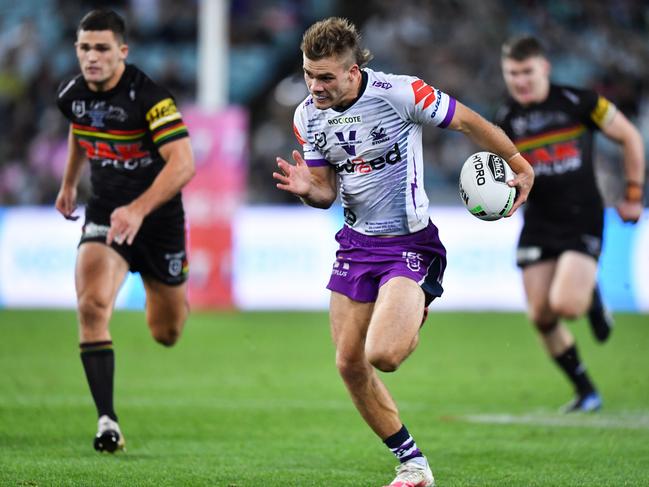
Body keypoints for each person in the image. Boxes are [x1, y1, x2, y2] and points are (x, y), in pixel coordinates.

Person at [273, 17, 534, 487]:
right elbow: (325, 192)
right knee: (348, 364)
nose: (315, 86)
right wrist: (304, 189)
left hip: (409, 243)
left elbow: (471, 123)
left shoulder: (401, 94)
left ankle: (415, 306)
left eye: (326, 77)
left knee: (385, 355)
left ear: (353, 72)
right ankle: (413, 465)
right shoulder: (307, 116)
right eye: (310, 74)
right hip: (355, 244)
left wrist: (518, 163)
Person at [55, 9, 195, 452]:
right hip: (106, 213)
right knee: (92, 306)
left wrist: (138, 209)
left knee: (166, 333)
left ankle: (173, 292)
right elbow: (81, 129)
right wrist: (69, 182)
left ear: (122, 51)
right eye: (84, 48)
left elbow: (183, 163)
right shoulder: (72, 94)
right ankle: (107, 420)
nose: (92, 57)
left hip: (158, 222)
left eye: (101, 48)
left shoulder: (150, 98)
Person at [495, 36, 645, 413]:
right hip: (538, 222)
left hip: (582, 216)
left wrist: (632, 193)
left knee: (566, 305)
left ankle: (591, 296)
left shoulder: (581, 102)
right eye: (512, 74)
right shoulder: (505, 119)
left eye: (526, 72)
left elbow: (629, 136)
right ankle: (585, 391)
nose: (520, 81)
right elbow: (498, 174)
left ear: (544, 67)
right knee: (541, 316)